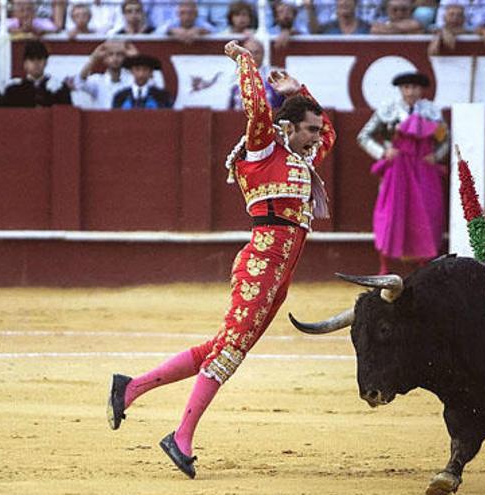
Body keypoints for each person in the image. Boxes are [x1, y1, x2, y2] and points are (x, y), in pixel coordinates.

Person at [107, 39, 336, 479]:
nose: (314, 136)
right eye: (306, 129)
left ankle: (130, 388)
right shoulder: (264, 149)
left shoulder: (303, 160)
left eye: (313, 131)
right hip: (259, 266)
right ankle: (181, 437)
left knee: (219, 348)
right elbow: (255, 107)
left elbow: (328, 131)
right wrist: (244, 59)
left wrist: (298, 89)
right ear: (286, 127)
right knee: (229, 352)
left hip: (280, 273)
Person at [356, 71, 448, 275]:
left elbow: (445, 140)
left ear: (422, 90)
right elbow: (363, 136)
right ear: (400, 90)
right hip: (396, 172)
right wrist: (383, 152)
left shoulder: (432, 112)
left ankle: (424, 266)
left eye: (415, 87)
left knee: (426, 214)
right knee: (391, 214)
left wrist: (436, 155)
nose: (411, 91)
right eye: (407, 87)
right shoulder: (388, 110)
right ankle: (385, 266)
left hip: (423, 171)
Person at [2, 41, 72, 107]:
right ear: (25, 64)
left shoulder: (59, 89)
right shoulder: (14, 90)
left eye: (39, 59)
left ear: (45, 62)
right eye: (32, 59)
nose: (36, 63)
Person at [72, 40, 138, 110]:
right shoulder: (97, 80)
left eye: (119, 54)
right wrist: (93, 59)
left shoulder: (132, 79)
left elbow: (149, 82)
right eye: (110, 54)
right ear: (104, 59)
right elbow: (80, 82)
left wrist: (137, 58)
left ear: (124, 58)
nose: (115, 58)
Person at [228, 37, 284, 110]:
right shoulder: (233, 76)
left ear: (263, 54)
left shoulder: (274, 75)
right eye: (249, 52)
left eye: (256, 52)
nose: (253, 56)